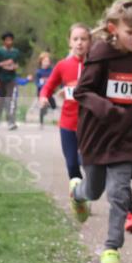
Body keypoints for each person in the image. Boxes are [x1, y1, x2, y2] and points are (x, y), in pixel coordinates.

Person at [68, 0, 132, 263]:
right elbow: (82, 92)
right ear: (113, 29)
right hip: (96, 135)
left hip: (126, 138)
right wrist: (107, 108)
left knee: (119, 193)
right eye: (131, 32)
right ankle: (77, 193)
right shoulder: (100, 54)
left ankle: (111, 248)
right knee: (94, 189)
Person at [40, 24, 91, 182]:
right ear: (69, 42)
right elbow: (48, 86)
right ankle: (78, 202)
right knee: (72, 165)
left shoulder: (96, 66)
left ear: (90, 41)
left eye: (83, 39)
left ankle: (86, 191)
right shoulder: (63, 65)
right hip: (68, 123)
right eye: (75, 39)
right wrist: (43, 97)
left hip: (89, 123)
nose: (79, 43)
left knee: (87, 162)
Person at [0, 31, 21, 129]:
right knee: (1, 100)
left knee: (9, 99)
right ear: (4, 41)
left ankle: (11, 121)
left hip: (11, 78)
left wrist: (13, 66)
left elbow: (17, 63)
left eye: (10, 40)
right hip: (1, 78)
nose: (9, 42)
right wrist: (6, 63)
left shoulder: (16, 52)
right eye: (7, 40)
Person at [34, 51, 55, 126]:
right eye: (45, 61)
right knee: (42, 107)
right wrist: (41, 84)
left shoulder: (51, 71)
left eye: (48, 61)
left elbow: (54, 80)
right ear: (41, 62)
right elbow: (36, 82)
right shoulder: (38, 72)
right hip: (41, 92)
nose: (46, 63)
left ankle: (49, 109)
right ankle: (41, 122)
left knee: (54, 105)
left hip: (49, 92)